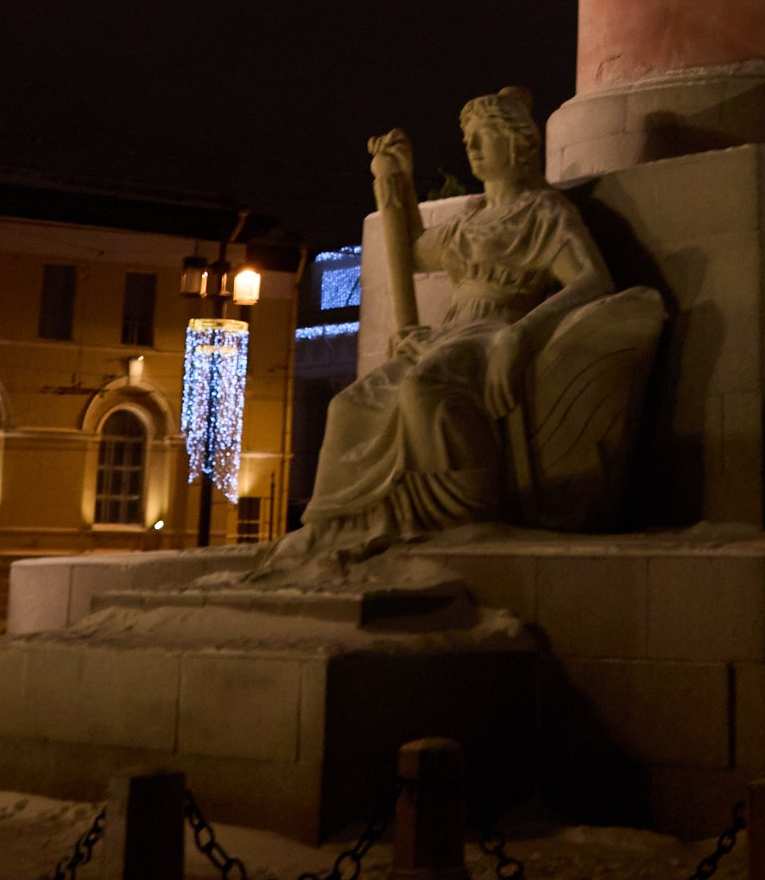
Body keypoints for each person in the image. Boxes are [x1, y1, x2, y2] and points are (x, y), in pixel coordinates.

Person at [214, 88, 613, 581]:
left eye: (482, 136)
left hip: (497, 326)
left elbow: (594, 280)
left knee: (424, 389)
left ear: (516, 144)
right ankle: (336, 525)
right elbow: (415, 250)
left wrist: (524, 334)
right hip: (452, 328)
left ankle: (456, 512)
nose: (470, 147)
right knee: (349, 405)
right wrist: (397, 182)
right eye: (467, 138)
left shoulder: (545, 213)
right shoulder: (472, 220)